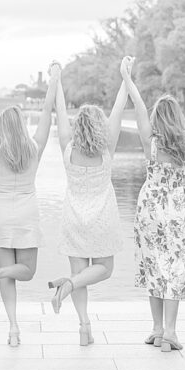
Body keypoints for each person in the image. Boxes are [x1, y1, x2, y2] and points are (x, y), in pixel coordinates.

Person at [123, 53, 185, 352]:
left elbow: (137, 103)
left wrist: (127, 76)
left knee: (153, 265)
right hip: (180, 209)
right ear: (176, 118)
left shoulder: (150, 141)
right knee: (174, 267)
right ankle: (171, 332)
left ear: (156, 118)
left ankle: (157, 328)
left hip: (151, 208)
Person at [0, 64, 58, 347]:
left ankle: (13, 327)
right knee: (27, 271)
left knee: (7, 274)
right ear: (22, 125)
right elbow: (47, 113)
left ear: (2, 127)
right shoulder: (34, 147)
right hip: (25, 214)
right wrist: (54, 79)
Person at [47, 60, 125, 346]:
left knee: (78, 272)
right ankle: (69, 286)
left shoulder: (68, 147)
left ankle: (83, 327)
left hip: (73, 216)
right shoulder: (107, 149)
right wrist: (125, 78)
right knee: (103, 269)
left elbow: (60, 109)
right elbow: (118, 109)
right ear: (99, 125)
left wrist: (56, 79)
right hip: (103, 216)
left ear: (78, 126)